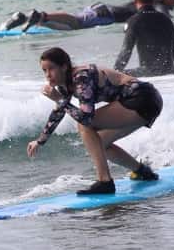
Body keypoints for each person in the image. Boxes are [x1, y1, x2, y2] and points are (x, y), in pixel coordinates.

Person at [27, 47, 162, 195]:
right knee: (101, 143)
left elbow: (86, 118)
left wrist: (59, 99)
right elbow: (60, 111)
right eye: (44, 71)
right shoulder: (66, 84)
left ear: (64, 66)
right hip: (144, 102)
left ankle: (105, 182)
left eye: (51, 69)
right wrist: (40, 141)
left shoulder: (81, 77)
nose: (48, 75)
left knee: (84, 125)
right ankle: (142, 172)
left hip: (142, 98)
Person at [114, 0, 174, 77]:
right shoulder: (166, 19)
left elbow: (126, 52)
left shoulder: (134, 21)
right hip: (169, 72)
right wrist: (162, 65)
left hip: (148, 73)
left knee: (120, 74)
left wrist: (115, 73)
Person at [0, 0, 138, 33]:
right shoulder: (152, 5)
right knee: (77, 23)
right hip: (106, 15)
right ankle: (42, 16)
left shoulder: (137, 2)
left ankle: (22, 18)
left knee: (75, 23)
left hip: (100, 8)